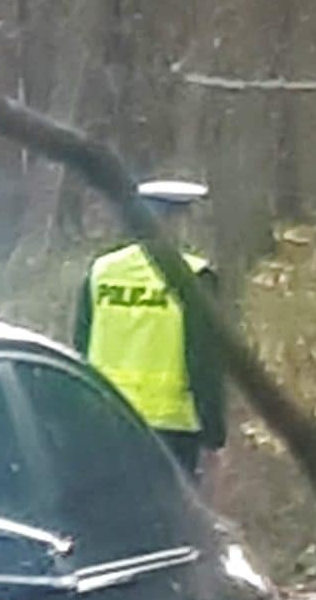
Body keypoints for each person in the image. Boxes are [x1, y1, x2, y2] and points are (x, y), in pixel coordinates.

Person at [72, 177, 226, 482]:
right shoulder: (195, 276)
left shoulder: (102, 270)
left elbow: (80, 345)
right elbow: (203, 361)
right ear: (177, 221)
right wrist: (214, 436)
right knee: (169, 521)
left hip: (106, 419)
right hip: (172, 429)